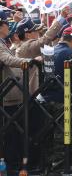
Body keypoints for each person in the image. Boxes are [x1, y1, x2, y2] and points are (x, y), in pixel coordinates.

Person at [40, 26, 72, 174]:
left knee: (48, 135)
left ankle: (48, 166)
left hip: (45, 98)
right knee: (62, 134)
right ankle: (59, 167)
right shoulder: (69, 53)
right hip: (62, 99)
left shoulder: (51, 50)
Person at [0, 10, 36, 173]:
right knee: (11, 135)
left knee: (15, 133)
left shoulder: (3, 42)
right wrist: (28, 61)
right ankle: (12, 167)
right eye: (6, 23)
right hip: (7, 96)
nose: (9, 26)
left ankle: (15, 165)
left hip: (13, 94)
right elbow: (7, 60)